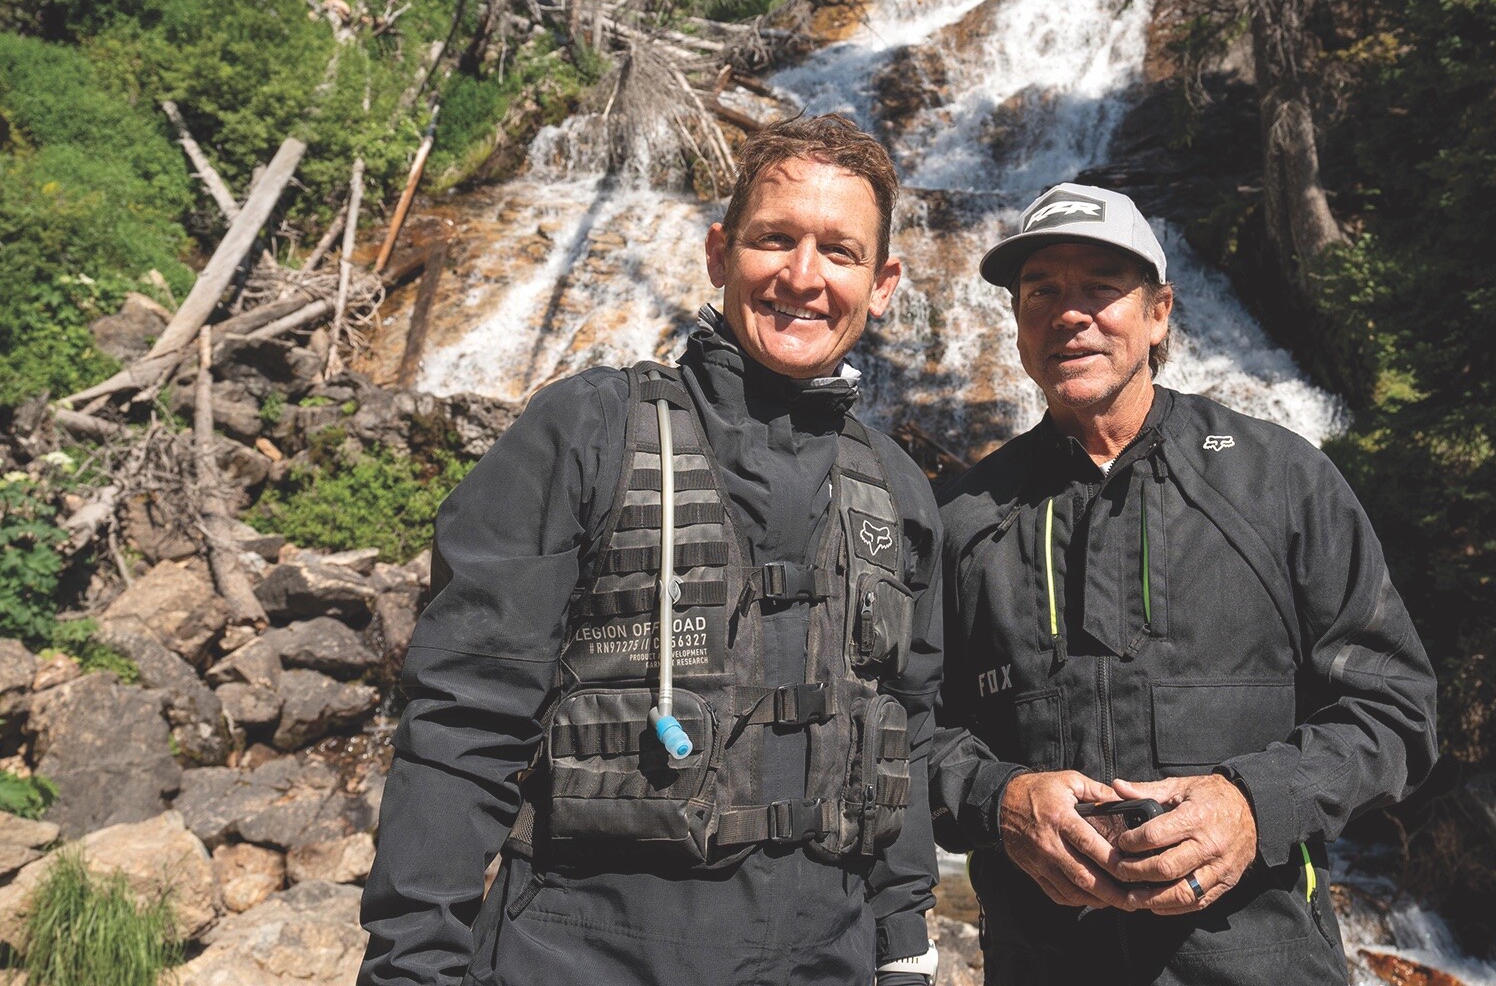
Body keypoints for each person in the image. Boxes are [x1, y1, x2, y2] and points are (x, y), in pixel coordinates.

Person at [360, 115, 944, 986]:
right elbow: (462, 720)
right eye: (773, 239)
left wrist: (904, 946)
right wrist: (411, 966)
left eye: (840, 251)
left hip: (828, 958)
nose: (802, 276)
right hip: (577, 957)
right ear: (717, 254)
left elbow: (905, 731)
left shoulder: (898, 491)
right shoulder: (587, 432)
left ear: (883, 283)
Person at [928, 182, 1438, 984]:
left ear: (1159, 312)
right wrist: (1000, 799)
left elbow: (1397, 709)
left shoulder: (1280, 481)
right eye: (1042, 291)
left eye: (1101, 287)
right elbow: (904, 732)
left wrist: (1255, 804)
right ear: (1018, 322)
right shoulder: (963, 518)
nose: (1070, 314)